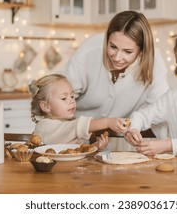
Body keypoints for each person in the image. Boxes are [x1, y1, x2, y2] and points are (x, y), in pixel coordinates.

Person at [64, 11, 169, 150]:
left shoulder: (155, 64)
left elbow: (160, 111)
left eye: (128, 51)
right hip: (75, 137)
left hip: (119, 141)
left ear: (142, 51)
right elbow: (61, 100)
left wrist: (167, 147)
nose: (117, 57)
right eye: (112, 47)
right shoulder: (88, 52)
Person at [29, 74, 128, 150]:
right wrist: (108, 122)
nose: (72, 100)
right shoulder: (44, 126)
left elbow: (74, 151)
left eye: (72, 96)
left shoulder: (66, 124)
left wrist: (94, 147)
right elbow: (77, 126)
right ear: (46, 106)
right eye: (64, 98)